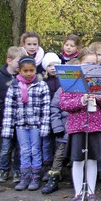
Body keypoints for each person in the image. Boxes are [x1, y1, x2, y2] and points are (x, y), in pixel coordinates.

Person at [59, 48, 101, 201]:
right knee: (78, 160)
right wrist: (81, 100)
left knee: (92, 160)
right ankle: (78, 194)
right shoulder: (70, 81)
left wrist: (100, 97)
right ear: (79, 63)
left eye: (94, 64)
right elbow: (64, 104)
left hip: (94, 125)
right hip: (77, 127)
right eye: (87, 64)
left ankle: (91, 192)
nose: (91, 67)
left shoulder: (99, 80)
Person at [1, 56, 51, 191]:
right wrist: (8, 129)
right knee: (24, 150)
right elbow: (9, 109)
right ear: (19, 71)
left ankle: (35, 177)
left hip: (36, 125)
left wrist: (45, 127)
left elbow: (45, 108)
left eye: (32, 70)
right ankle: (25, 177)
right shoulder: (14, 86)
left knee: (35, 150)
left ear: (36, 70)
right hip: (21, 125)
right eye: (25, 71)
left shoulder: (41, 85)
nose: (29, 74)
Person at [0, 46, 26, 183]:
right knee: (6, 147)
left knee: (20, 148)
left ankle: (17, 170)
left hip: (21, 118)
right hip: (5, 118)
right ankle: (3, 170)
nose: (21, 66)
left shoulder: (25, 77)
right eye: (18, 63)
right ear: (9, 60)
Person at [39, 52, 61, 182]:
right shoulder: (42, 82)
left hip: (58, 117)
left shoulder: (62, 81)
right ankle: (47, 167)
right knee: (47, 143)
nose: (53, 68)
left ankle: (56, 168)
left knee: (58, 145)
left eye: (56, 65)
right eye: (50, 65)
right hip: (46, 117)